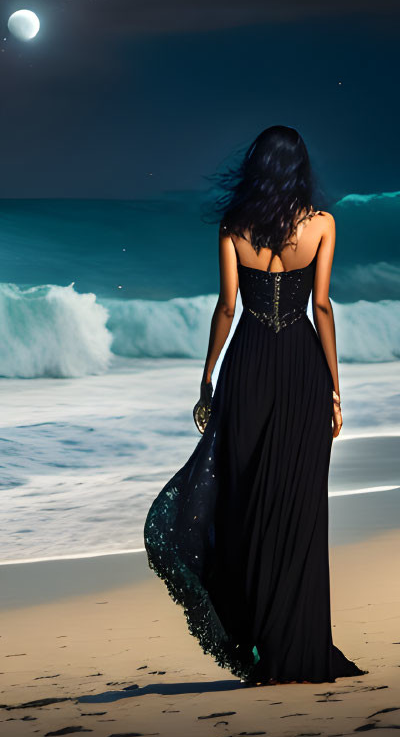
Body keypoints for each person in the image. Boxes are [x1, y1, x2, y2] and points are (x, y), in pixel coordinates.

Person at [144, 125, 364, 685]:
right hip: (300, 373)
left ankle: (262, 643)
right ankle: (300, 644)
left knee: (245, 506)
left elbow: (225, 308)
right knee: (300, 508)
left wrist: (207, 377)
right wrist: (335, 388)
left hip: (247, 371)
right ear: (300, 169)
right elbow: (321, 307)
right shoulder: (322, 226)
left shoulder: (234, 227)